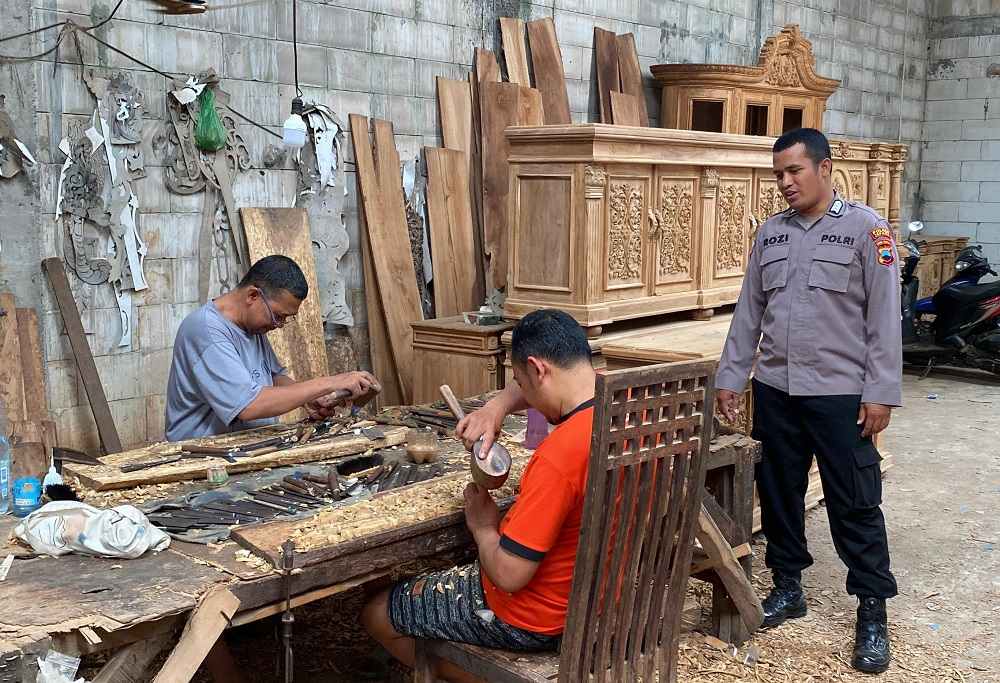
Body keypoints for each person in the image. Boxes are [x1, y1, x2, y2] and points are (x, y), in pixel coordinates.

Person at [716, 127, 901, 673]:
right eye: (778, 175)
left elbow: (884, 318)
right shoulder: (770, 235)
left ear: (824, 168)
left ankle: (871, 608)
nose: (785, 183)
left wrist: (881, 391)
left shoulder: (868, 231)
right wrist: (732, 376)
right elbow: (749, 312)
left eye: (794, 171)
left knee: (854, 500)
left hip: (841, 394)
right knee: (778, 493)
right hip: (777, 390)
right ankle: (788, 586)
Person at [361, 309, 597, 683]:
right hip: (599, 601)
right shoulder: (629, 409)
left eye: (521, 380)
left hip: (536, 618)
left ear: (538, 369)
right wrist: (496, 407)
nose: (529, 400)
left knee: (377, 611)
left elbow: (509, 575)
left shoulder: (559, 458)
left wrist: (484, 527)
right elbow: (532, 384)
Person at [164, 255, 379, 441]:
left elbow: (274, 377)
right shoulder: (206, 330)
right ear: (253, 296)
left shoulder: (251, 326)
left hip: (246, 448)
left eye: (286, 318)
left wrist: (311, 398)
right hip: (202, 458)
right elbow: (249, 406)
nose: (279, 325)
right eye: (277, 316)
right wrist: (330, 382)